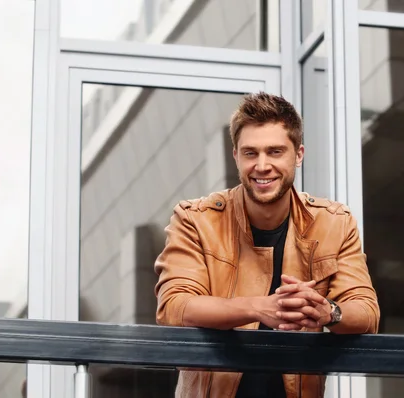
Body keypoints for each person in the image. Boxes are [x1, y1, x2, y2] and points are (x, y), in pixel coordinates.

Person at [154, 92, 380, 398]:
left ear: (298, 154)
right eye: (250, 153)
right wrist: (260, 308)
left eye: (275, 152)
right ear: (235, 155)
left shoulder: (335, 223)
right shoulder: (196, 219)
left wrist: (328, 311)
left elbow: (366, 312)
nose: (262, 166)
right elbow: (174, 306)